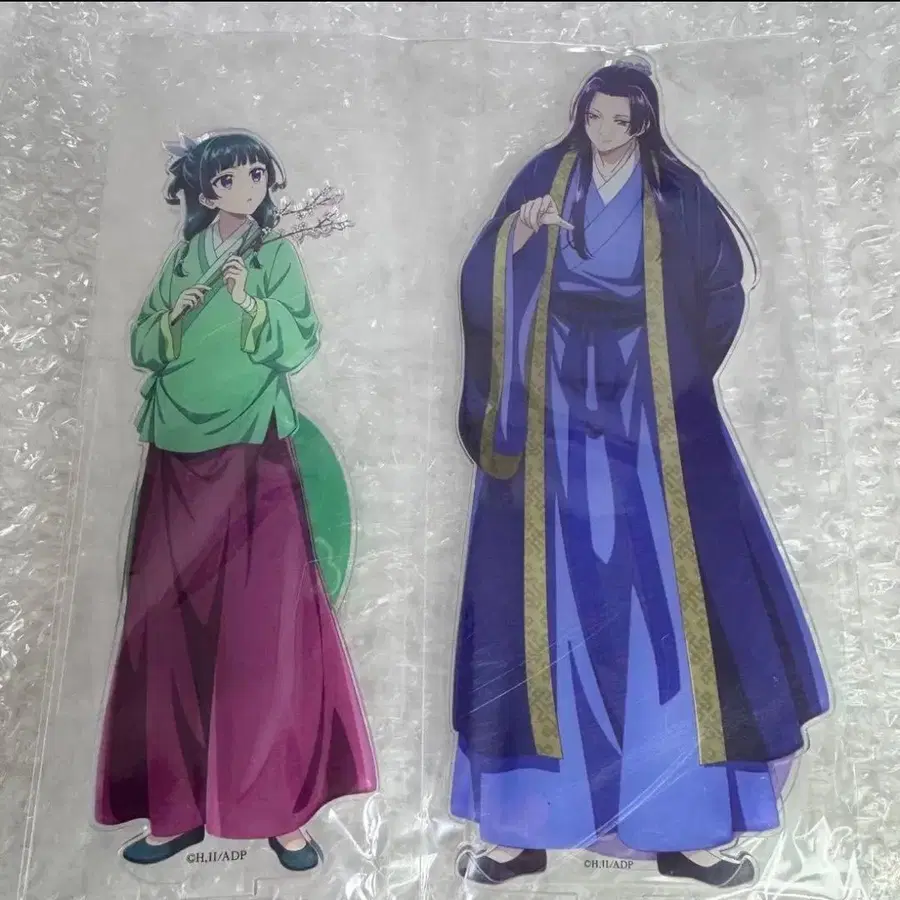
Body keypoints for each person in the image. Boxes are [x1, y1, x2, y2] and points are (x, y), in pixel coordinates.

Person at [450, 59, 830, 889]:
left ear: (646, 123)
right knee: (544, 608)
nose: (605, 133)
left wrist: (676, 367)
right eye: (595, 117)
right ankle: (522, 831)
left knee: (666, 605)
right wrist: (520, 240)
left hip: (650, 414)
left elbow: (722, 290)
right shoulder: (544, 177)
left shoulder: (676, 194)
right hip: (554, 415)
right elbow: (485, 272)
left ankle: (683, 829)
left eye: (621, 121)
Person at [93, 130, 377, 871]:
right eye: (230, 178)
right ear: (204, 190)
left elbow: (299, 341)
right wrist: (176, 315)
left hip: (254, 444)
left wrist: (251, 303)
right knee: (170, 622)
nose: (248, 188)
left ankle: (279, 809)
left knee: (265, 626)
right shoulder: (183, 258)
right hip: (176, 446)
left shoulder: (274, 254)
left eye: (257, 175)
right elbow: (143, 344)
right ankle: (176, 809)